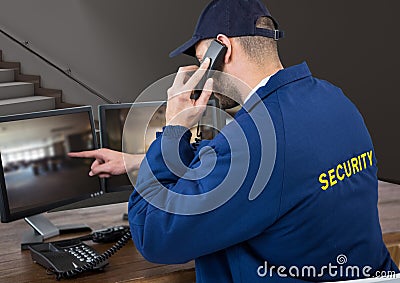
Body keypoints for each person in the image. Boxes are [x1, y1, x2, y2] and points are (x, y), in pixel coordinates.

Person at [69, 0, 399, 282]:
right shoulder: (334, 99)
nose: (200, 72)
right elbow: (288, 173)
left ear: (222, 49)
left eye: (202, 61)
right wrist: (139, 161)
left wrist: (173, 129)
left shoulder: (254, 138)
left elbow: (153, 234)